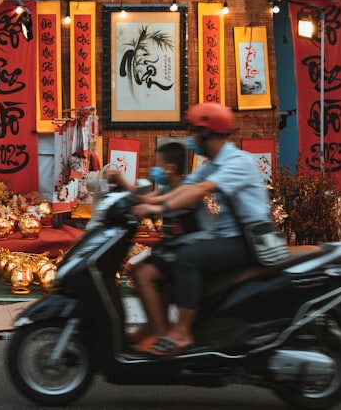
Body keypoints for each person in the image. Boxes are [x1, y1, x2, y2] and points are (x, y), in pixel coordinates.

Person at [129, 102, 273, 357]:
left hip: (248, 241)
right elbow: (182, 189)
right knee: (166, 258)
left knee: (187, 259)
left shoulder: (237, 162)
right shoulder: (212, 165)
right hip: (228, 238)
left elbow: (198, 191)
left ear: (206, 133)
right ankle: (159, 327)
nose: (191, 139)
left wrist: (157, 209)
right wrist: (142, 202)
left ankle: (182, 331)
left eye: (194, 132)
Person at [107, 142, 193, 350]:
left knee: (142, 274)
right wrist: (120, 182)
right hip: (173, 248)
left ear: (170, 168)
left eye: (158, 164)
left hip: (189, 250)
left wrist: (149, 206)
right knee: (138, 268)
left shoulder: (185, 189)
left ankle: (160, 334)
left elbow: (157, 202)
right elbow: (143, 197)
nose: (155, 169)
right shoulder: (168, 187)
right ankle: (154, 326)